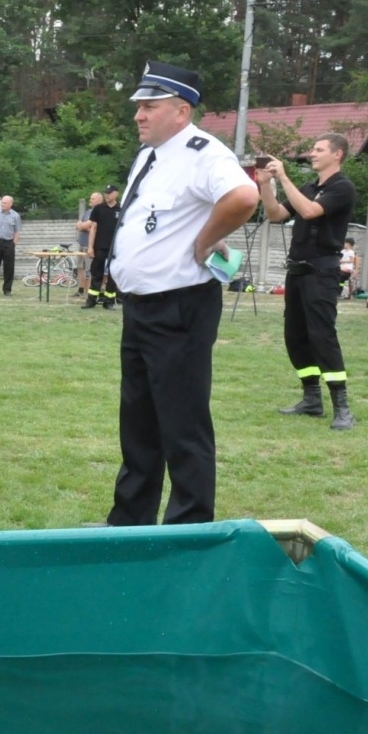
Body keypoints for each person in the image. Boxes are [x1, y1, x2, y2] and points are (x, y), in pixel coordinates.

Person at [105, 61, 260, 526]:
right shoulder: (149, 156)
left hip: (179, 306)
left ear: (181, 110)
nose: (138, 115)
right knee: (138, 421)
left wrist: (205, 240)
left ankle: (189, 527)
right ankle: (130, 521)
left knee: (182, 424)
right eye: (138, 106)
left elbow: (244, 197)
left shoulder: (203, 153)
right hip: (140, 307)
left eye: (149, 106)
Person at [259, 134, 359, 431]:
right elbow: (276, 214)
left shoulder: (342, 187)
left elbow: (310, 211)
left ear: (337, 154)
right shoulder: (308, 188)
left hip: (322, 272)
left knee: (322, 336)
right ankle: (311, 399)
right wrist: (265, 184)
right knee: (296, 336)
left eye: (319, 149)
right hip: (297, 272)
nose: (312, 153)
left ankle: (342, 407)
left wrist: (284, 177)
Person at [79, 185, 121, 309]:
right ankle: (91, 300)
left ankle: (109, 302)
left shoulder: (122, 208)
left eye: (109, 193)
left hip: (116, 248)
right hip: (100, 246)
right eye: (106, 193)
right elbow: (93, 228)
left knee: (112, 275)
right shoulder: (99, 208)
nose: (107, 195)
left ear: (116, 194)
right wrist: (90, 247)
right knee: (96, 273)